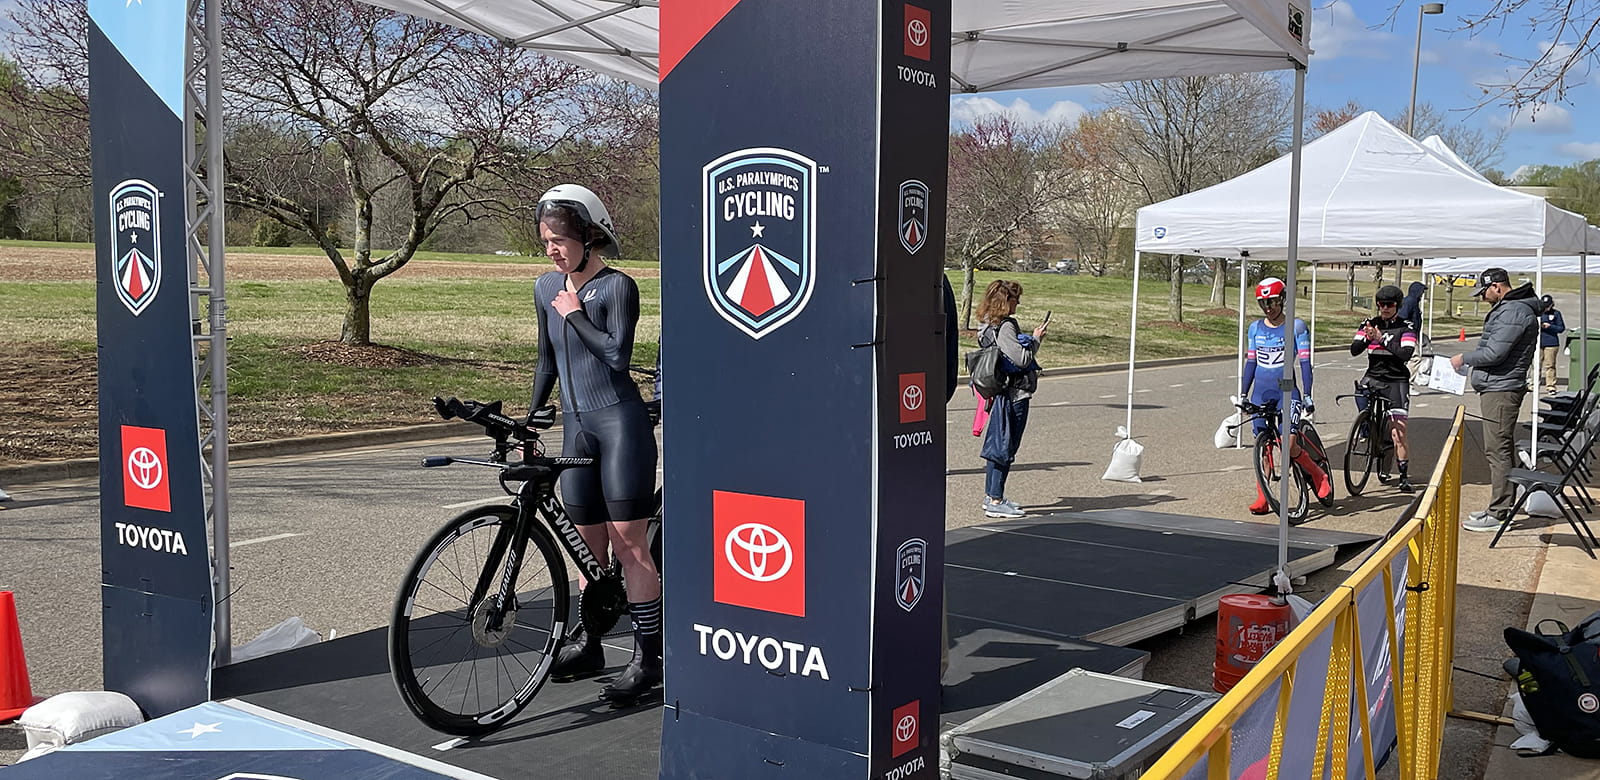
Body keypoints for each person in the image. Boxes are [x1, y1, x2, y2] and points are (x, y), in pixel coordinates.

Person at [528, 184, 662, 703]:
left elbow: (615, 356)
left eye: (560, 239)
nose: (553, 251)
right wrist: (533, 413)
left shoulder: (616, 287)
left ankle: (647, 657)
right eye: (545, 242)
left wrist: (574, 312)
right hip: (576, 425)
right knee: (588, 548)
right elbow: (546, 359)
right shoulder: (546, 288)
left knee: (629, 546)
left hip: (620, 425)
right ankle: (592, 644)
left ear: (588, 235)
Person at [1451, 268, 1541, 533]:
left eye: (1484, 292)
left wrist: (1464, 358)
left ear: (1497, 287)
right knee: (1499, 448)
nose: (1482, 297)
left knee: (1497, 449)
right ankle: (1500, 507)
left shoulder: (1513, 312)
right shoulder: (1512, 309)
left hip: (1501, 389)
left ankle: (1500, 512)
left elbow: (1495, 352)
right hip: (1499, 385)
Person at [1241, 276, 1331, 514]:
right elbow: (1250, 362)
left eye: (1271, 302)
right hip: (1261, 391)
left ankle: (1317, 474)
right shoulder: (1254, 328)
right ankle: (1263, 496)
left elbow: (1304, 363)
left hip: (1287, 390)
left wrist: (1309, 394)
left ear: (1282, 299)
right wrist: (1242, 394)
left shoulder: (1296, 326)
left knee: (1288, 445)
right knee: (1263, 447)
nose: (1268, 308)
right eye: (1263, 303)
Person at [975, 279, 1046, 518]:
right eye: (1016, 298)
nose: (1019, 303)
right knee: (1005, 446)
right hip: (1013, 393)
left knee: (998, 443)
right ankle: (995, 499)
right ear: (1006, 301)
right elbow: (1021, 359)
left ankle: (993, 496)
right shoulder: (1005, 326)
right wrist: (1035, 339)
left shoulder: (985, 325)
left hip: (997, 391)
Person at [1351, 285, 1420, 493]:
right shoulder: (1370, 324)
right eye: (1381, 304)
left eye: (1389, 305)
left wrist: (1381, 339)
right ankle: (1368, 429)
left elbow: (1405, 354)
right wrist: (1366, 337)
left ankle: (1404, 476)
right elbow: (1354, 350)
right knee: (1359, 394)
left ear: (1397, 305)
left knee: (1398, 432)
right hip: (1374, 376)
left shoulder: (1405, 327)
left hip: (1396, 379)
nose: (1385, 308)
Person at [1538, 294, 1566, 395]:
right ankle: (1533, 384)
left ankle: (1550, 386)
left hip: (1551, 343)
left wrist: (1550, 326)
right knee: (1536, 365)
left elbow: (1561, 328)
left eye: (1547, 306)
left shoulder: (1556, 314)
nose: (1545, 308)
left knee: (1550, 365)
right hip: (1538, 342)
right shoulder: (1537, 313)